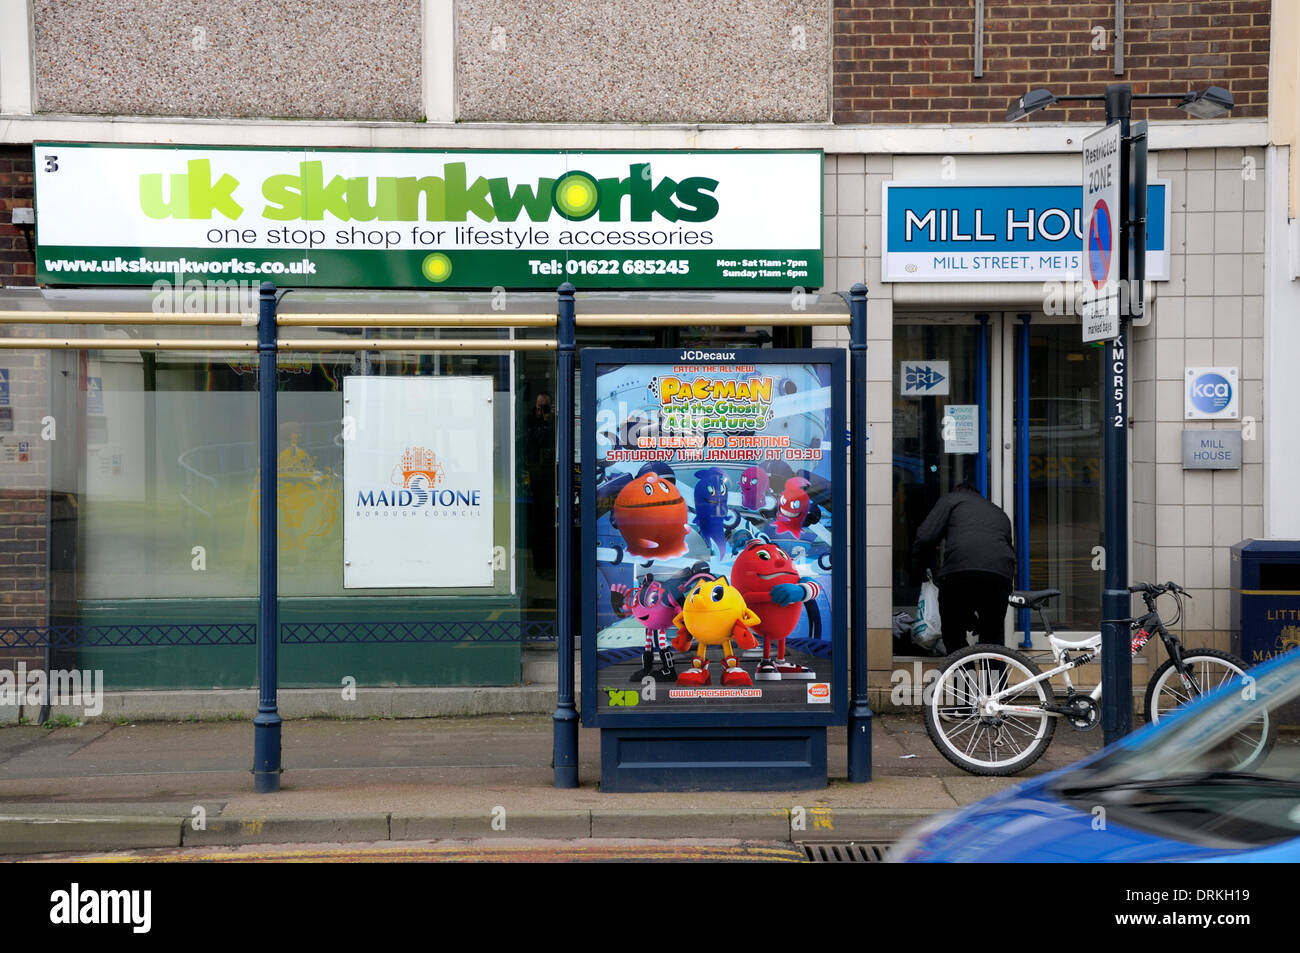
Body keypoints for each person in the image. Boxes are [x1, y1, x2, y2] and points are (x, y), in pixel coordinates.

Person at [912, 480, 1015, 655]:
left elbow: (925, 538)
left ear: (957, 491)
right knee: (993, 639)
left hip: (960, 573)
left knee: (953, 632)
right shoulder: (997, 511)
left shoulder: (951, 500)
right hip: (999, 576)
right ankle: (995, 683)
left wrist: (920, 573)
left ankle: (964, 682)